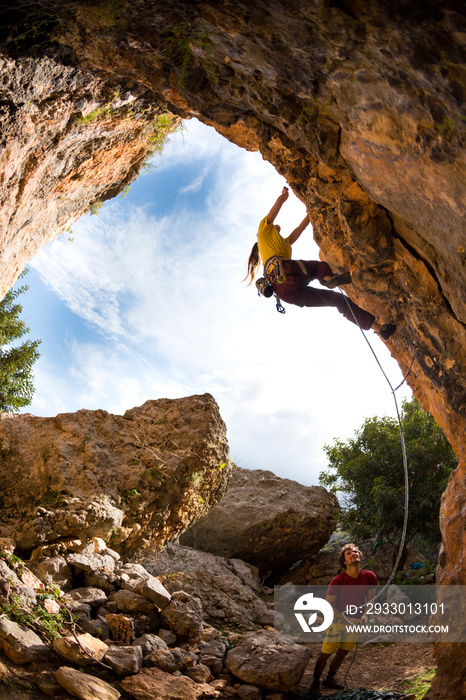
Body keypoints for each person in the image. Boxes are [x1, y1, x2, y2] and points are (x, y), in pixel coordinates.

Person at [244, 186, 396, 338]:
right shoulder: (263, 231)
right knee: (318, 267)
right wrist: (284, 195)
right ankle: (328, 279)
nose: (277, 226)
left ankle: (381, 329)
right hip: (286, 272)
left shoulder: (284, 243)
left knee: (339, 301)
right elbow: (277, 207)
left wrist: (310, 214)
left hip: (286, 294)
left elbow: (300, 228)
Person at [310, 543, 378, 694]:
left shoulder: (370, 576)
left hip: (355, 624)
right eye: (349, 553)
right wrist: (347, 618)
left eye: (355, 551)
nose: (353, 553)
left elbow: (370, 600)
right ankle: (315, 682)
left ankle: (330, 678)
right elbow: (328, 606)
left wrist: (365, 615)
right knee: (326, 653)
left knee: (343, 652)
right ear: (344, 562)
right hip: (337, 622)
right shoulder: (338, 580)